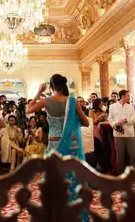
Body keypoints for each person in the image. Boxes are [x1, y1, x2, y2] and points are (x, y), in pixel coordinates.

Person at [26, 74, 89, 221]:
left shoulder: (46, 101)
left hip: (54, 144)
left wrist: (37, 92)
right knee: (73, 178)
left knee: (55, 178)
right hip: (72, 144)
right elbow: (86, 123)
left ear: (51, 87)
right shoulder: (72, 102)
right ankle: (75, 212)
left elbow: (28, 110)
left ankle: (57, 212)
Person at [108, 89, 135, 175]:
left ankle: (133, 173)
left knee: (132, 155)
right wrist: (114, 125)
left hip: (130, 134)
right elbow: (110, 118)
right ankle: (121, 174)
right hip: (118, 134)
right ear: (123, 96)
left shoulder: (131, 107)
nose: (129, 97)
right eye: (128, 96)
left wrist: (126, 120)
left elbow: (134, 119)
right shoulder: (113, 106)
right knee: (120, 156)